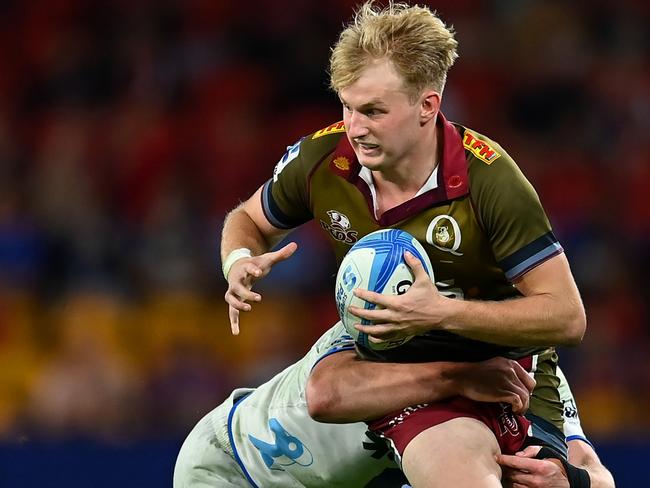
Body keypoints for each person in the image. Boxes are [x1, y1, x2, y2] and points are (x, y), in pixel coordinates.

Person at [220, 2, 586, 485]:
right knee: (321, 395)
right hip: (389, 364)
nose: (355, 127)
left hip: (499, 368)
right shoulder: (323, 158)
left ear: (427, 106)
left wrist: (439, 312)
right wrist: (239, 260)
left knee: (582, 478)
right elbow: (247, 218)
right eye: (347, 106)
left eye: (373, 111)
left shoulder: (491, 182)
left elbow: (567, 316)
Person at [174, 323, 614, 488]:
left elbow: (596, 472)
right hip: (232, 465)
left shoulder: (530, 370)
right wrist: (458, 377)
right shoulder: (388, 327)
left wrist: (569, 480)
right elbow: (325, 396)